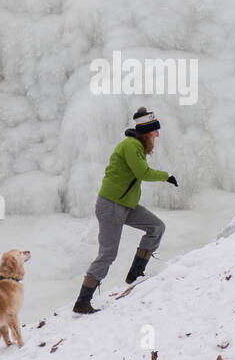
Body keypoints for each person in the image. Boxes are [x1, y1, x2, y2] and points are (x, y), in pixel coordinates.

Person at [73, 107, 177, 314]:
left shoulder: (136, 146)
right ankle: (83, 301)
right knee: (108, 253)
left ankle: (135, 275)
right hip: (111, 206)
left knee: (156, 227)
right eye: (154, 133)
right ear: (146, 133)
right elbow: (142, 172)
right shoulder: (131, 146)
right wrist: (166, 176)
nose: (156, 137)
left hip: (125, 205)